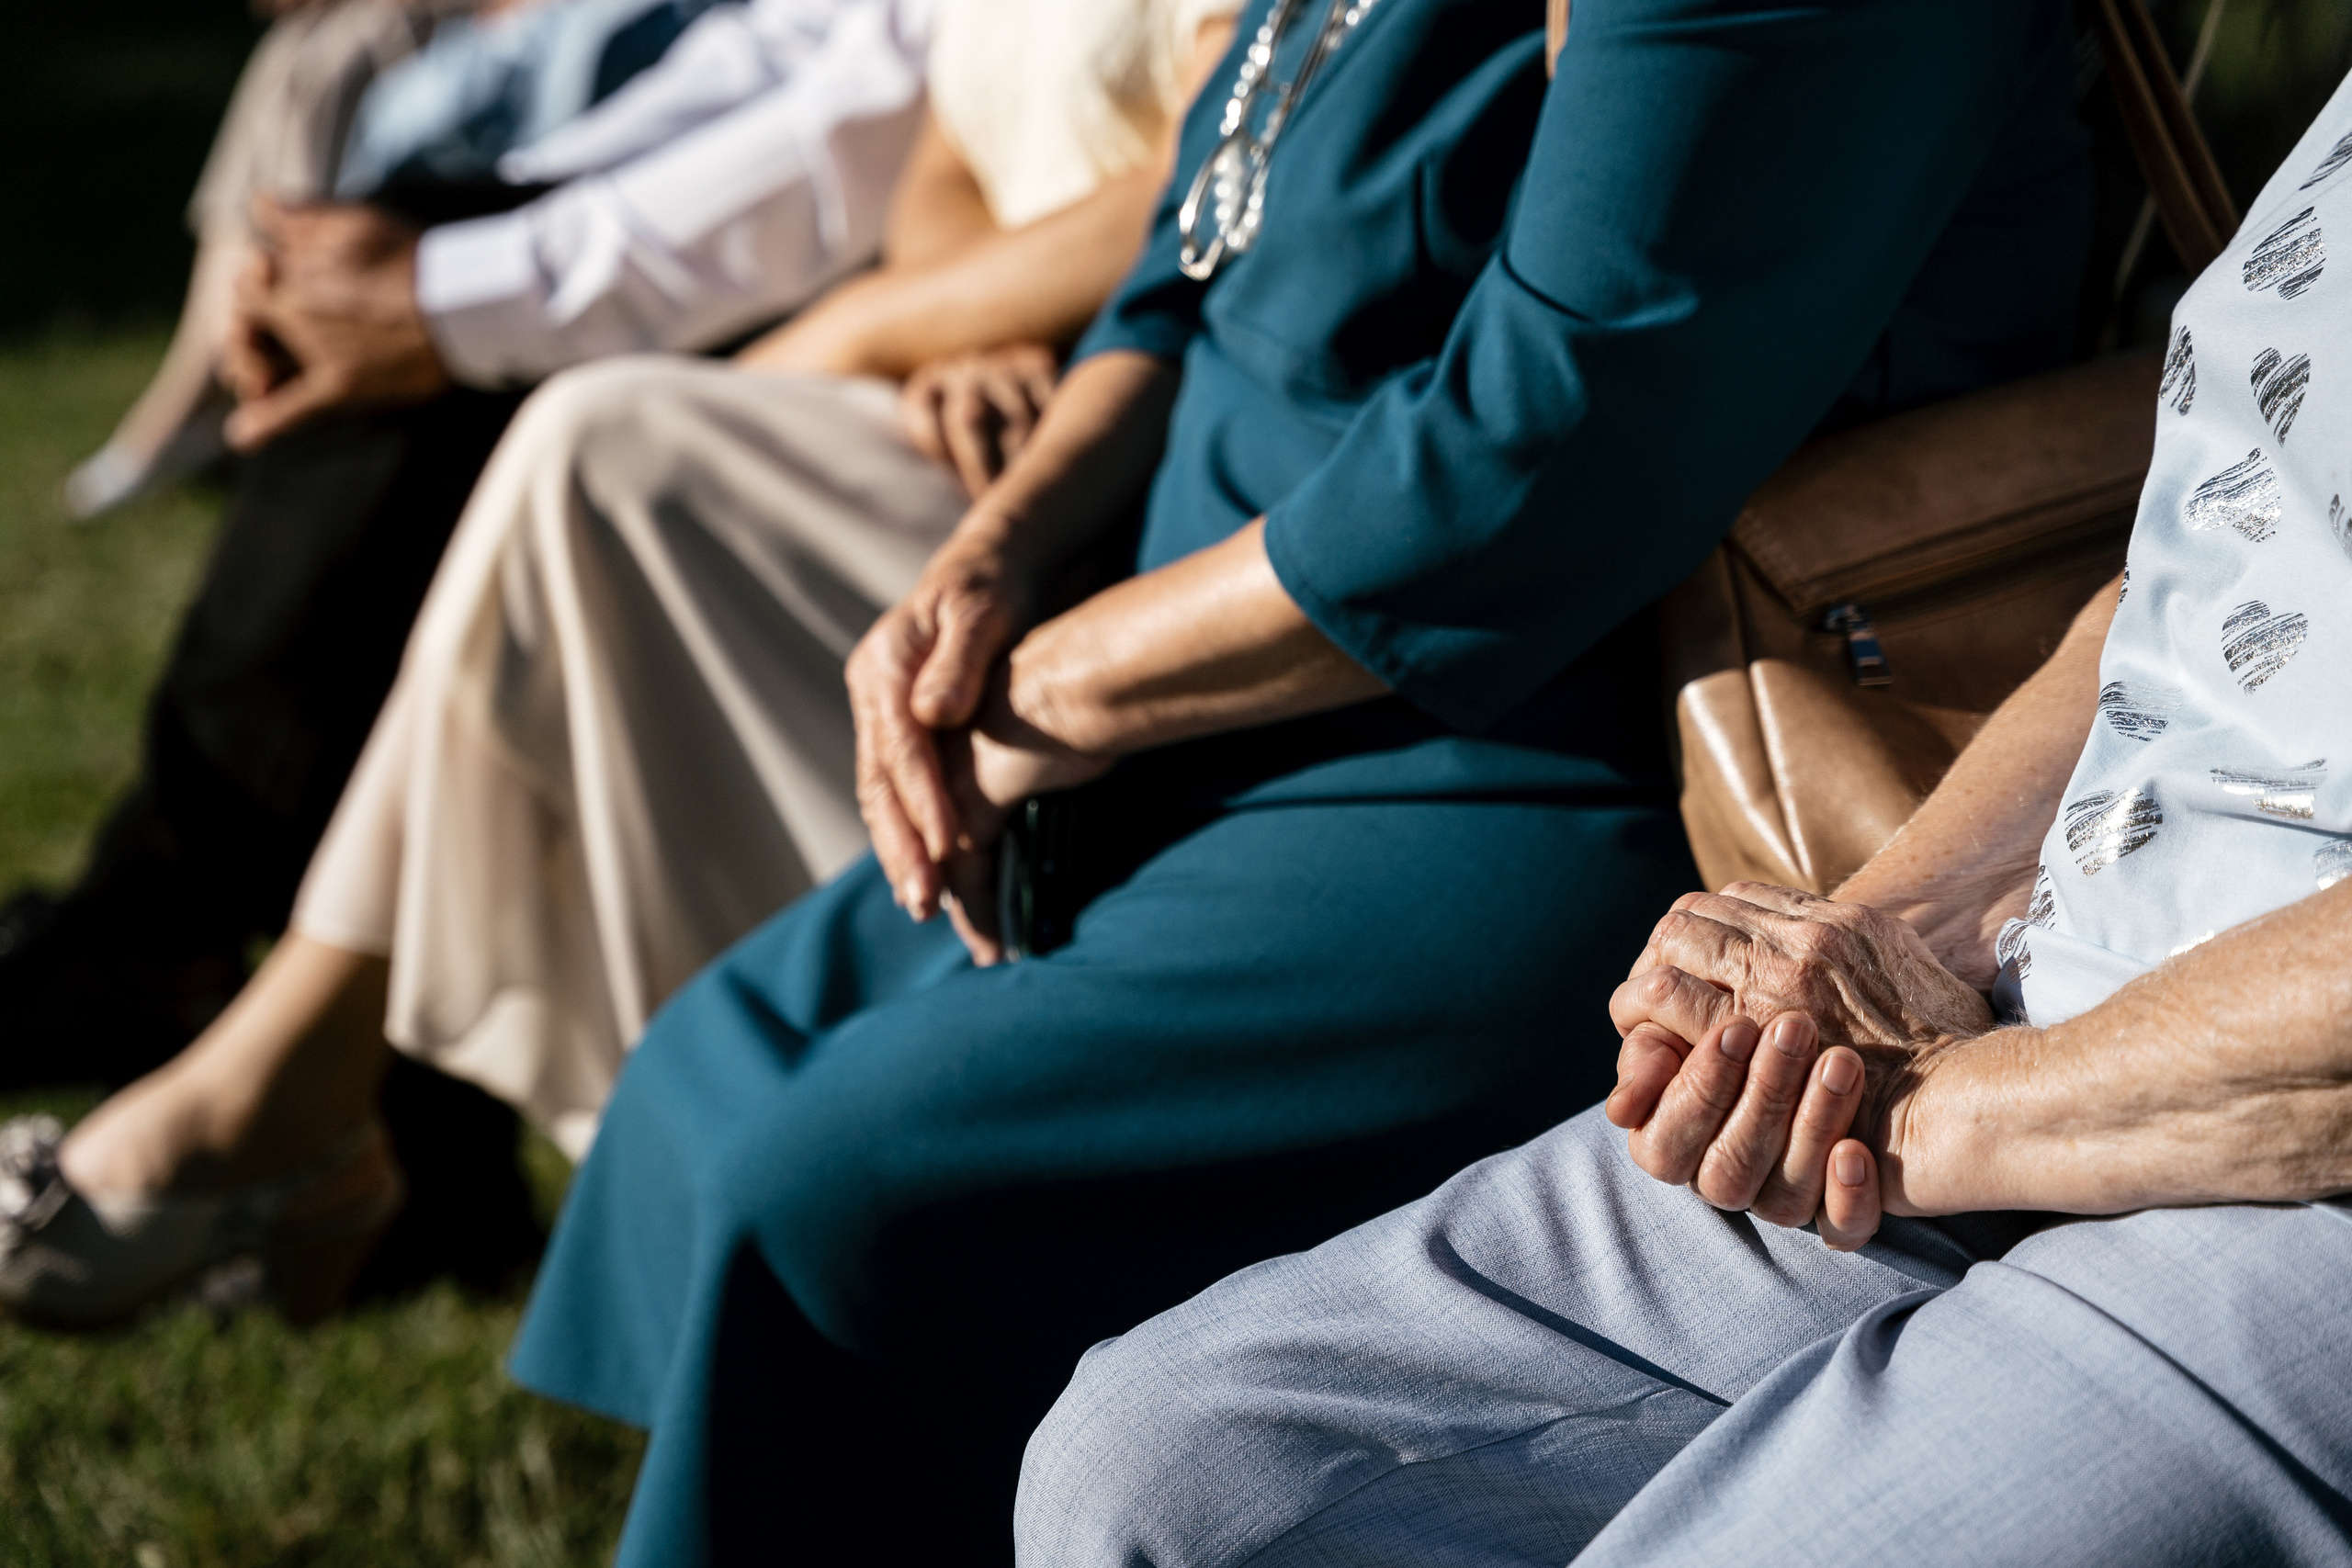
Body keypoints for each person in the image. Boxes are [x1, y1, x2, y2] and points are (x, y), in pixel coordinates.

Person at [488, 0, 2091, 1560]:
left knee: (837, 1193)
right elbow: (1191, 257)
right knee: (717, 1055)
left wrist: (1059, 683)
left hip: (1521, 753)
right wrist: (997, 554)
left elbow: (1538, 447)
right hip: (1207, 705)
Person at [1012, 62, 2352, 1568]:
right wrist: (1887, 930)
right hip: (2040, 992)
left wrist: (1947, 1110)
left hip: (2285, 1166)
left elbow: (1559, 416)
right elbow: (2200, 576)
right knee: (1162, 1463)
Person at [0, 0, 1242, 1308]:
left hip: (1113, 462)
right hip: (967, 379)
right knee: (564, 448)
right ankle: (309, 1065)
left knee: (594, 452)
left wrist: (875, 330)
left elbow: (1204, 194)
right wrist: (955, 327)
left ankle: (288, 1058)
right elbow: (939, 165)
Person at [0, 0, 931, 1094]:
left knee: (553, 433)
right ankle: (242, 995)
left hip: (961, 358)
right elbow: (810, 54)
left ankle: (193, 963)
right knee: (416, 234)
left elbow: (877, 127)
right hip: (849, 251)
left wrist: (460, 284)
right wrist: (498, 213)